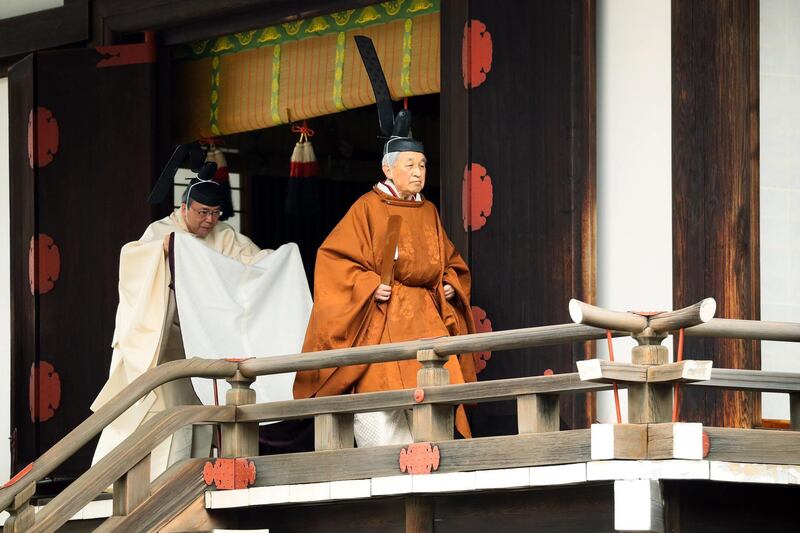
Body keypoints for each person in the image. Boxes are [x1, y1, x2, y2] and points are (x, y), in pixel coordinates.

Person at [91, 163, 309, 479]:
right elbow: (133, 258)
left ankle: (192, 479)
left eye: (215, 213)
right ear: (184, 207)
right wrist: (167, 251)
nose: (209, 220)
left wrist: (280, 259)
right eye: (202, 212)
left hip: (205, 342)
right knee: (166, 415)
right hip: (167, 343)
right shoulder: (162, 232)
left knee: (204, 415)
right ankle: (148, 483)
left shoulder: (225, 237)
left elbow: (251, 268)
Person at [293, 136, 478, 447]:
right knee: (382, 422)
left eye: (422, 165)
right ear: (387, 169)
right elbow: (334, 261)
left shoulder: (428, 210)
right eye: (410, 165)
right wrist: (368, 285)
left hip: (426, 320)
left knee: (434, 423)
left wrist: (449, 283)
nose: (419, 172)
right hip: (383, 319)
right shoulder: (367, 207)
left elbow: (450, 260)